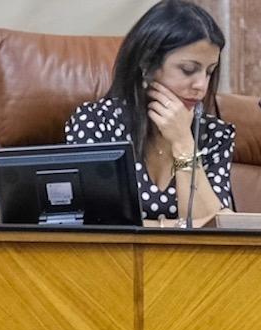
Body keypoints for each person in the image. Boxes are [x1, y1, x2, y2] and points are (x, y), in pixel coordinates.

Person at [64, 0, 235, 228]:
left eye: (209, 72)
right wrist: (171, 227)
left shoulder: (215, 135)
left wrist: (183, 143)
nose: (201, 86)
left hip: (192, 262)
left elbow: (216, 232)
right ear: (147, 64)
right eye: (188, 70)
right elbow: (94, 225)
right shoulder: (96, 123)